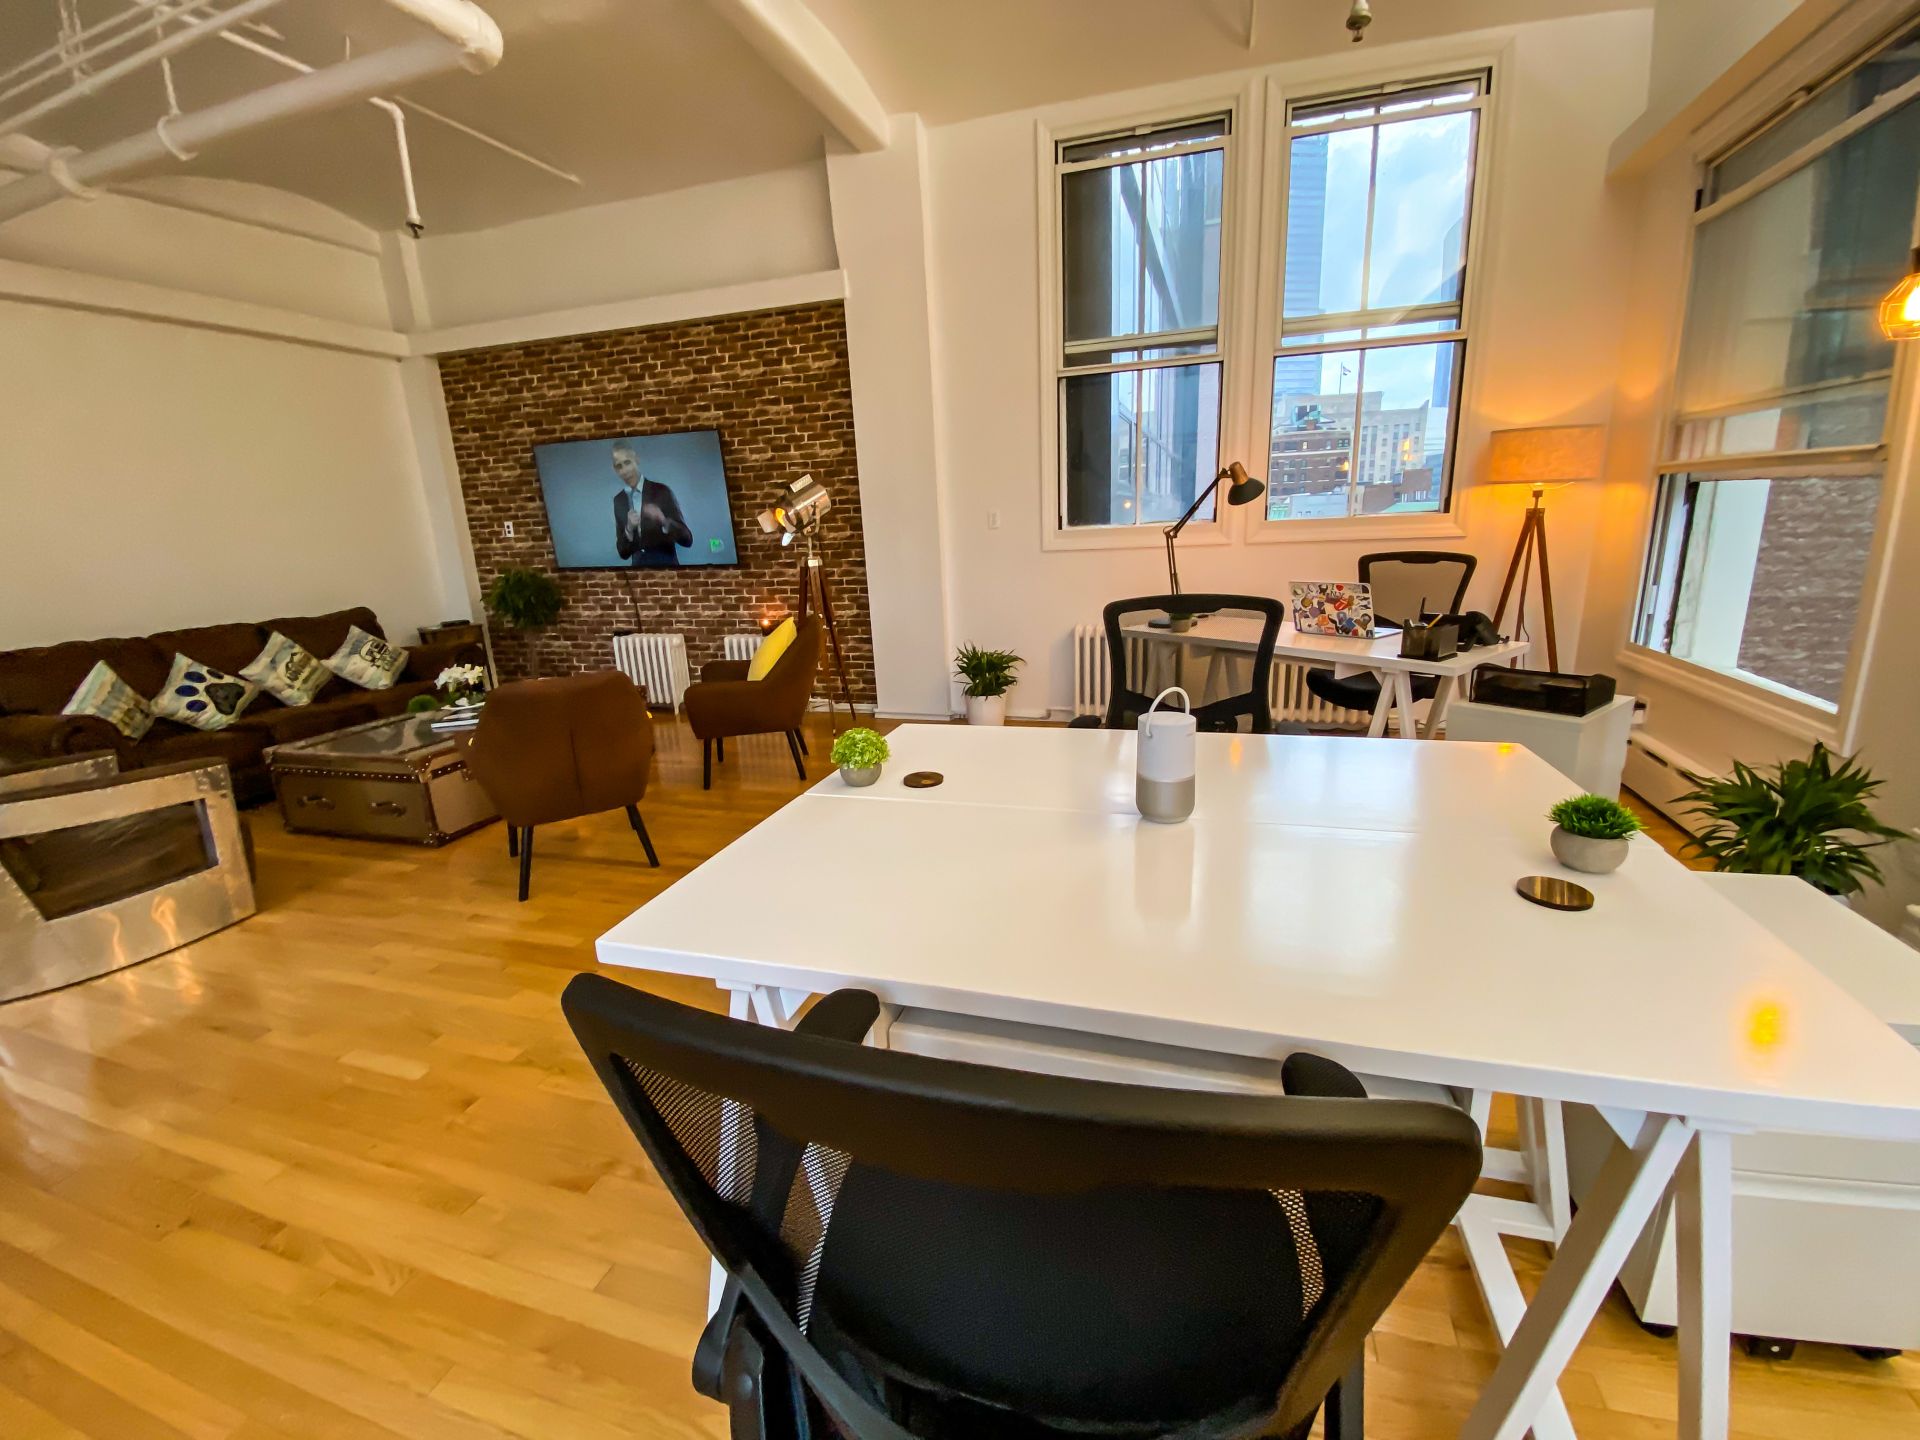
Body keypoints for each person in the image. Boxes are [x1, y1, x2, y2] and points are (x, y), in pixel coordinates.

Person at [611, 440, 693, 567]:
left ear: (636, 460)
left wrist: (663, 520)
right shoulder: (619, 500)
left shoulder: (661, 491)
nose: (624, 471)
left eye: (627, 462)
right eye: (619, 466)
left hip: (668, 574)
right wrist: (629, 528)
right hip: (639, 577)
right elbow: (623, 553)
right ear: (615, 470)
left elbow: (688, 540)